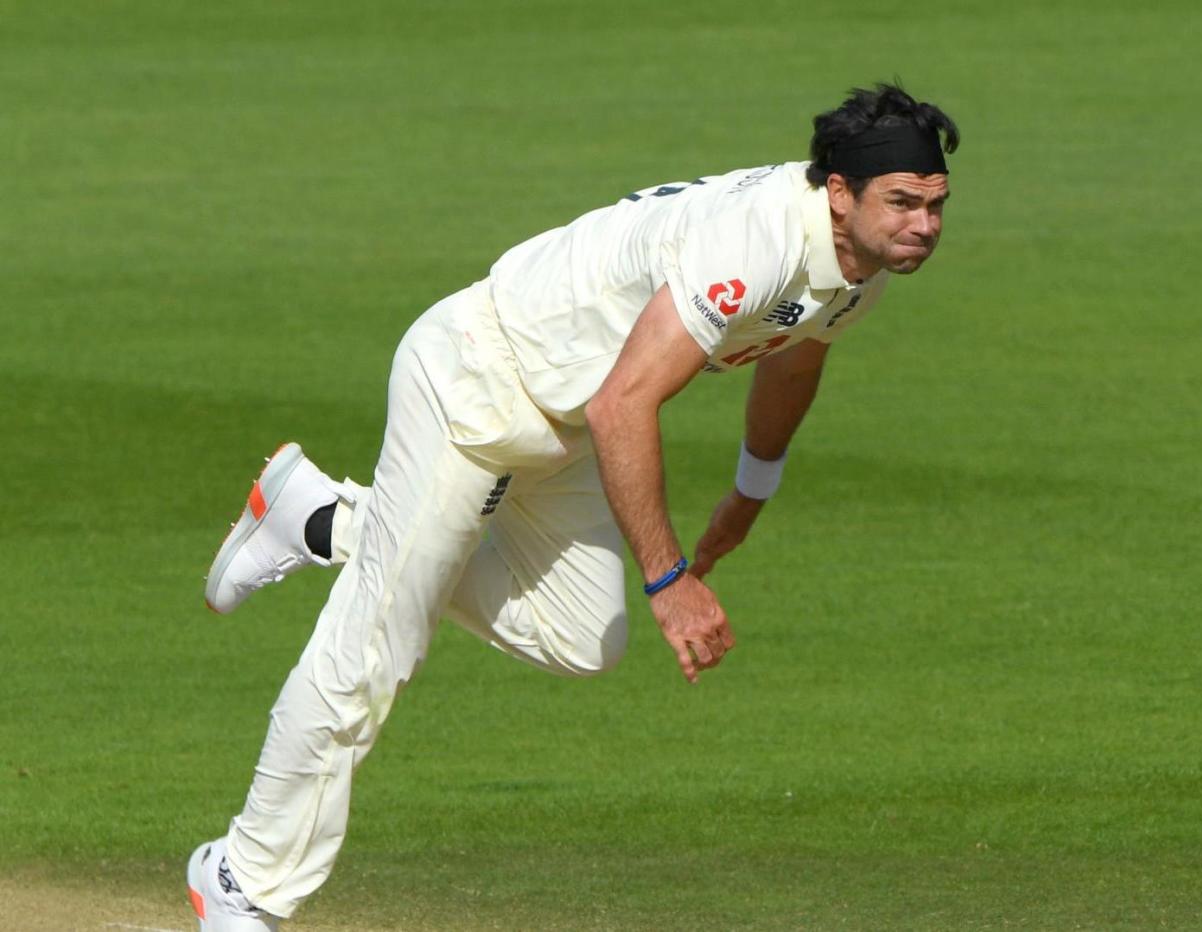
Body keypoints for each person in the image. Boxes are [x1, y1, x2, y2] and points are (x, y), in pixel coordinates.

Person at [186, 82, 958, 930]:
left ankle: (327, 518)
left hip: (564, 425)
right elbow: (623, 405)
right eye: (904, 202)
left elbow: (795, 357)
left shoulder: (859, 268)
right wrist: (669, 583)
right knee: (374, 653)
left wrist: (749, 491)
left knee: (583, 637)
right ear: (839, 192)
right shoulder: (756, 240)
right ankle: (242, 878)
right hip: (479, 380)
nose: (923, 224)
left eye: (935, 204)